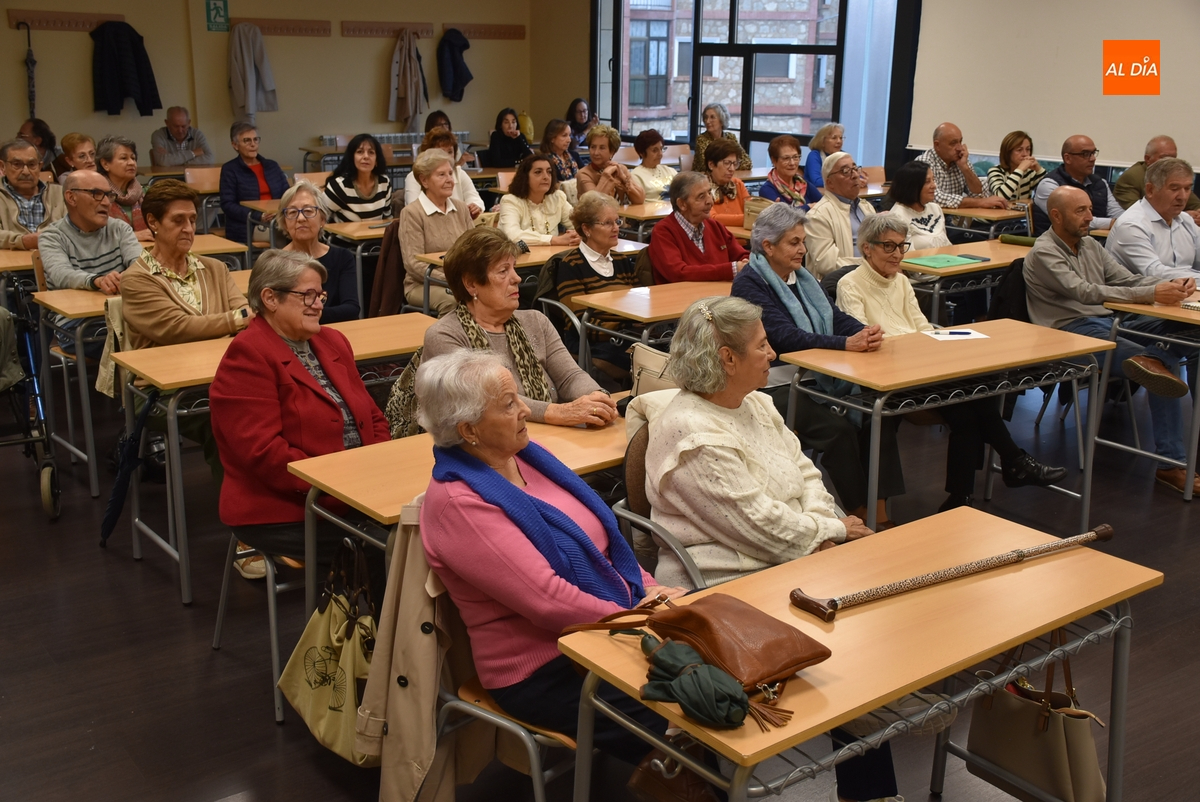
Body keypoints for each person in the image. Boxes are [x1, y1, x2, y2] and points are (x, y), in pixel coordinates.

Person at [415, 349, 707, 802]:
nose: (525, 410)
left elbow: (602, 541)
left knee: (713, 682)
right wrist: (637, 617)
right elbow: (548, 600)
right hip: (542, 669)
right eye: (509, 403)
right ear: (468, 430)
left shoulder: (526, 455)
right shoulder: (459, 504)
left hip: (601, 630)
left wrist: (648, 589)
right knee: (694, 716)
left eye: (518, 398)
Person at [838, 214, 1067, 510]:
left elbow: (920, 326)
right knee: (974, 395)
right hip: (888, 376)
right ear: (866, 248)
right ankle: (1011, 462)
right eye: (888, 247)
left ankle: (965, 495)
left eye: (901, 246)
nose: (897, 255)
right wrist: (921, 343)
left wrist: (940, 338)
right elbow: (867, 338)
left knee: (971, 403)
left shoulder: (902, 281)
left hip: (921, 364)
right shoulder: (850, 284)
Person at [209, 249, 391, 567]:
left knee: (432, 526)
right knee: (393, 548)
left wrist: (377, 472)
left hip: (356, 492)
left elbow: (373, 418)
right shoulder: (247, 356)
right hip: (285, 509)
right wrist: (343, 489)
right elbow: (266, 455)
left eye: (320, 294)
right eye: (308, 295)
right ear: (270, 298)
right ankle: (370, 618)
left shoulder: (333, 341)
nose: (319, 303)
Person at [731, 204, 903, 527]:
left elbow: (832, 316)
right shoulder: (750, 285)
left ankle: (879, 512)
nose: (802, 249)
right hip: (773, 384)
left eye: (803, 241)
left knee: (877, 414)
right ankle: (859, 515)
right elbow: (784, 337)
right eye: (793, 242)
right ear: (767, 246)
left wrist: (861, 331)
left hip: (815, 376)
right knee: (836, 430)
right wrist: (845, 344)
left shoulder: (802, 278)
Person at [1025, 186, 1199, 495]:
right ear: (1056, 215)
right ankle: (1171, 465)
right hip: (1070, 333)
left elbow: (1126, 279)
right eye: (1081, 211)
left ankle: (1154, 355)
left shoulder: (1090, 244)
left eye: (1090, 209)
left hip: (1109, 321)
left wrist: (1167, 284)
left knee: (1188, 335)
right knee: (1165, 366)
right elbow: (1084, 292)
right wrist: (1150, 293)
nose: (1090, 217)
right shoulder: (1044, 252)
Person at [120, 180, 252, 575]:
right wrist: (233, 320)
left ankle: (285, 514)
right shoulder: (137, 279)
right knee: (226, 423)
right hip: (161, 392)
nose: (189, 228)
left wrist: (236, 320)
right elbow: (175, 328)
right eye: (178, 220)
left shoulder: (214, 267)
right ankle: (247, 535)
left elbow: (242, 316)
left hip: (219, 379)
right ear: (153, 224)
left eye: (193, 220)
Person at [422, 227, 617, 427]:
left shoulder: (536, 321)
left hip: (547, 435)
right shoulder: (445, 336)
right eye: (503, 271)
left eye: (514, 268)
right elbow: (488, 402)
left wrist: (598, 399)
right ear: (471, 284)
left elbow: (570, 377)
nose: (517, 278)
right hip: (485, 446)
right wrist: (558, 412)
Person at [38, 171, 141, 357]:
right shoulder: (52, 236)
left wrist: (130, 276)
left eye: (108, 195)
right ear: (71, 197)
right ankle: (127, 386)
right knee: (128, 339)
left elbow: (139, 263)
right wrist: (98, 281)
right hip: (76, 324)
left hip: (123, 314)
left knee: (159, 330)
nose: (106, 202)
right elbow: (61, 274)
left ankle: (137, 385)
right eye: (96, 194)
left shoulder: (119, 228)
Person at [549, 191, 650, 372]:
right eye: (607, 223)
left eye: (617, 222)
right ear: (586, 229)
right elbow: (578, 321)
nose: (616, 228)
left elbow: (641, 302)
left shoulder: (621, 261)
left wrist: (632, 326)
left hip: (625, 336)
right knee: (646, 363)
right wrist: (623, 327)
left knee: (668, 351)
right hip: (590, 340)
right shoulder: (571, 265)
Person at [399, 149, 473, 317]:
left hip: (462, 281)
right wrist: (452, 280)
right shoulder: (412, 213)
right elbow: (413, 263)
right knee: (453, 302)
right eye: (441, 175)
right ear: (424, 180)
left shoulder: (461, 208)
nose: (449, 180)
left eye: (450, 174)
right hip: (423, 284)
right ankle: (445, 343)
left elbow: (474, 250)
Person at [278, 180, 359, 323]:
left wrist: (308, 315)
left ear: (322, 219)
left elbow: (351, 309)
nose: (301, 218)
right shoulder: (274, 263)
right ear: (284, 223)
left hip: (334, 333)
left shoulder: (342, 257)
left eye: (308, 211)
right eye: (292, 212)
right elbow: (275, 313)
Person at [1107, 157, 1200, 281]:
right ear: (1150, 190)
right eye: (1174, 189)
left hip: (1186, 295)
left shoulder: (1186, 220)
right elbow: (1154, 273)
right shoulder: (1132, 225)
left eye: (1187, 189)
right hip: (1140, 298)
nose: (1182, 197)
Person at [648, 171, 748, 283]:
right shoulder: (663, 232)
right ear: (682, 204)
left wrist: (746, 263)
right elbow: (677, 273)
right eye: (701, 197)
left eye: (710, 193)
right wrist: (730, 270)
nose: (710, 201)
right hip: (682, 298)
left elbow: (742, 255)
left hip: (719, 296)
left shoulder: (715, 226)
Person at [804, 151, 876, 279]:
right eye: (845, 171)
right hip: (841, 285)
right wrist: (872, 264)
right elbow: (827, 264)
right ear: (830, 182)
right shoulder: (818, 216)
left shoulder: (866, 208)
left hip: (873, 278)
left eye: (855, 169)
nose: (854, 175)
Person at [1032, 135, 1124, 235]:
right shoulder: (1049, 185)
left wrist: (1122, 222)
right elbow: (1071, 219)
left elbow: (1118, 215)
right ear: (1068, 158)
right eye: (1085, 154)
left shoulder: (1100, 183)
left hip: (1094, 243)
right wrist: (1110, 223)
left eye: (1093, 153)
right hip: (1057, 245)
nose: (1093, 158)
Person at [219, 122, 289, 246]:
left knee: (307, 229)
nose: (253, 144)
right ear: (235, 145)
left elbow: (287, 195)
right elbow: (227, 205)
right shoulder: (230, 169)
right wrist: (258, 216)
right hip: (250, 224)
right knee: (284, 233)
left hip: (279, 218)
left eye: (256, 139)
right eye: (247, 141)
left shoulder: (272, 166)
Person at [915, 123, 1006, 210]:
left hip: (955, 220)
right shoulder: (924, 163)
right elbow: (934, 198)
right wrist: (980, 202)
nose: (959, 148)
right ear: (937, 145)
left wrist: (965, 168)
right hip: (929, 221)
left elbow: (979, 193)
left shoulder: (961, 160)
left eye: (960, 141)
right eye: (953, 143)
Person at [1113, 135, 1200, 223]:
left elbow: (1195, 204)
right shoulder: (1132, 177)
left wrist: (1197, 214)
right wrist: (1184, 216)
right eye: (1164, 158)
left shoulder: (1175, 176)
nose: (1170, 162)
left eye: (1173, 158)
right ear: (1148, 159)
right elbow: (1137, 211)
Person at [498, 153, 578, 247]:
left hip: (552, 257)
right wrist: (554, 240)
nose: (546, 177)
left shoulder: (558, 197)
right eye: (538, 172)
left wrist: (579, 236)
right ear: (525, 177)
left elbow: (579, 225)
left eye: (549, 172)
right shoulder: (510, 201)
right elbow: (512, 236)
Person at [0, 139, 65, 250]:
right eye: (17, 164)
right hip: (12, 265)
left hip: (57, 261)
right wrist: (23, 241)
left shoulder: (61, 193)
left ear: (40, 166)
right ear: (2, 167)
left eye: (32, 165)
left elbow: (77, 229)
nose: (26, 171)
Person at [403, 129, 483, 218]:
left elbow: (475, 199)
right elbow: (414, 211)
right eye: (441, 152)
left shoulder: (459, 173)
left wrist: (474, 207)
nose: (447, 156)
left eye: (450, 152)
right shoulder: (413, 177)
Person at [324, 133, 395, 226]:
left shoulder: (384, 183)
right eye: (360, 152)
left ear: (377, 160)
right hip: (343, 240)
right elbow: (320, 217)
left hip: (377, 239)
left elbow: (387, 219)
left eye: (371, 152)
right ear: (352, 158)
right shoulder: (338, 186)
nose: (366, 156)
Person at [96, 135, 152, 242]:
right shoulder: (96, 196)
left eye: (133, 158)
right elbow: (93, 236)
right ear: (105, 164)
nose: (131, 163)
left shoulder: (146, 193)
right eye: (124, 158)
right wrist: (131, 236)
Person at [884, 160, 950, 249]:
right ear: (912, 186)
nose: (934, 186)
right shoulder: (898, 216)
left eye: (933, 180)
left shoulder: (935, 208)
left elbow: (946, 244)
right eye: (927, 182)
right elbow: (904, 255)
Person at [576, 125, 645, 205]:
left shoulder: (621, 169)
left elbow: (639, 200)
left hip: (622, 216)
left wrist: (623, 178)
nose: (596, 152)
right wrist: (605, 176)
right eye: (593, 147)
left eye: (602, 148)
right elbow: (595, 205)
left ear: (612, 151)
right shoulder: (584, 174)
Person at [986, 130, 1045, 202]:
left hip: (1023, 213)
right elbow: (1000, 198)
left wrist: (1039, 169)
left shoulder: (1030, 173)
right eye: (1019, 150)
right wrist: (1020, 169)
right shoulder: (995, 171)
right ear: (1008, 153)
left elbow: (1049, 192)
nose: (1025, 154)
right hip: (1000, 212)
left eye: (1028, 149)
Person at [693, 103, 750, 175]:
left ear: (722, 120)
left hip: (727, 177)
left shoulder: (731, 138)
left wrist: (724, 165)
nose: (707, 121)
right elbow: (707, 166)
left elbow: (747, 162)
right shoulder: (701, 139)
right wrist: (731, 164)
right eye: (706, 117)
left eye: (712, 117)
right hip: (704, 179)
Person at [705, 138, 750, 228]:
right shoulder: (702, 188)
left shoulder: (738, 184)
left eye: (735, 163)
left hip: (743, 240)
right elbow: (713, 218)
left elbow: (751, 211)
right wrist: (748, 219)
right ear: (711, 165)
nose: (732, 169)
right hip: (718, 240)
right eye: (727, 163)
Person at [150, 106, 215, 167]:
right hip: (167, 177)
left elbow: (210, 158)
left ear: (189, 122)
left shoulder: (197, 134)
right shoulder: (158, 135)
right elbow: (163, 161)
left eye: (183, 126)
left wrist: (176, 162)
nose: (180, 130)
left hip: (193, 177)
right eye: (176, 126)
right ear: (167, 123)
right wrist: (193, 153)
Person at [759, 135, 808, 208]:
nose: (792, 163)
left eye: (795, 157)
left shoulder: (803, 184)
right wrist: (809, 207)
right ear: (774, 161)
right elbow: (785, 216)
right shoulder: (767, 190)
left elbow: (824, 205)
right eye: (786, 158)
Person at [630, 128, 676, 201]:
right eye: (655, 150)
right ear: (641, 153)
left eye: (661, 149)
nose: (660, 154)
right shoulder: (636, 176)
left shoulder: (670, 171)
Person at [803, 123, 844, 204]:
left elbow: (853, 175)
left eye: (841, 138)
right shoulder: (814, 155)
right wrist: (842, 182)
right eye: (834, 138)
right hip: (816, 200)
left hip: (837, 197)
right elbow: (817, 181)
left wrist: (860, 180)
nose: (839, 141)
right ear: (822, 141)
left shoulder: (843, 155)